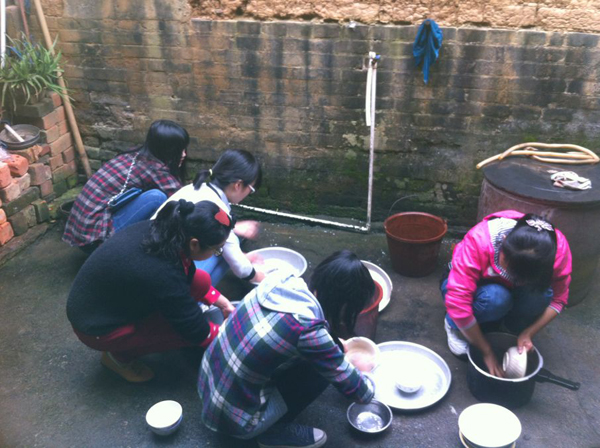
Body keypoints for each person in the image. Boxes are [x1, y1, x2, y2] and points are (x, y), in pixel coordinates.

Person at [198, 250, 376, 448]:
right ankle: (271, 433)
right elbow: (361, 394)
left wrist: (334, 345)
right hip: (237, 422)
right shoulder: (308, 330)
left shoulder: (280, 280)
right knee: (319, 372)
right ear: (344, 305)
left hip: (208, 387)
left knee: (321, 353)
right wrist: (364, 372)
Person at [67, 199, 236, 383]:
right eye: (217, 250)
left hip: (106, 299)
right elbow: (195, 330)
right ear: (194, 244)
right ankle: (118, 357)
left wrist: (222, 303)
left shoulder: (167, 230)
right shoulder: (162, 272)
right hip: (97, 328)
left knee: (202, 281)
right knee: (181, 333)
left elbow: (186, 278)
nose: (218, 252)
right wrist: (231, 338)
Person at [441, 210, 572, 377]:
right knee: (496, 298)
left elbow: (559, 299)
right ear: (503, 242)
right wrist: (486, 351)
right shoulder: (480, 240)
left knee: (543, 294)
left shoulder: (555, 251)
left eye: (523, 277)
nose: (519, 281)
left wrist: (528, 332)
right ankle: (452, 324)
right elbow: (458, 302)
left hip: (508, 288)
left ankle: (508, 328)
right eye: (509, 268)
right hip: (471, 287)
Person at [63, 119, 189, 253]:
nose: (184, 154)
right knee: (157, 198)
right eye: (178, 150)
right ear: (165, 149)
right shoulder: (154, 168)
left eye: (184, 149)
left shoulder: (134, 154)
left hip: (82, 234)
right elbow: (183, 199)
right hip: (96, 242)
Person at [153, 149, 264, 284]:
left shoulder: (194, 187)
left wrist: (242, 255)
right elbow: (241, 269)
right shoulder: (217, 210)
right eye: (251, 190)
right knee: (222, 251)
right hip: (165, 272)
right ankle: (196, 293)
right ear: (238, 185)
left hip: (153, 249)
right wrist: (260, 277)